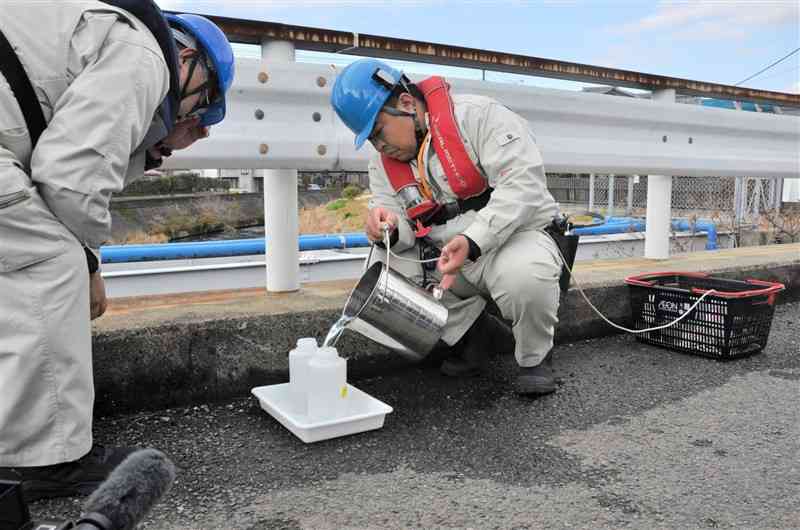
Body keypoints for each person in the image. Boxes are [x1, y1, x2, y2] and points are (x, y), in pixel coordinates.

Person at [0, 1, 234, 501]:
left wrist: (148, 148)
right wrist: (87, 264)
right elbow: (70, 178)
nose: (198, 125)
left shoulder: (98, 32)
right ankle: (42, 458)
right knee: (49, 262)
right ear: (187, 60)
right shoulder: (145, 53)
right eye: (202, 104)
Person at [331, 58, 571, 397]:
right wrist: (388, 228)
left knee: (525, 275)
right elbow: (394, 222)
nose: (379, 146)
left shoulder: (478, 116)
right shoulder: (382, 164)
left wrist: (473, 241)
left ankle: (535, 358)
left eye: (379, 131)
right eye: (370, 139)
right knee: (381, 272)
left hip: (511, 240)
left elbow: (524, 185)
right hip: (446, 257)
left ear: (406, 103)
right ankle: (472, 336)